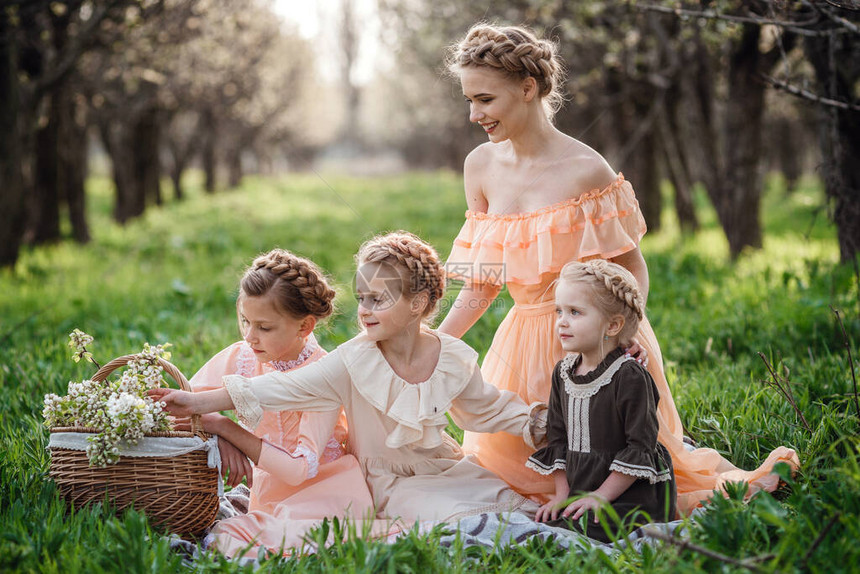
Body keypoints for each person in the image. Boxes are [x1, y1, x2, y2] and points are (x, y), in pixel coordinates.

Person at [439, 23, 798, 513]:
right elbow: (480, 283)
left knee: (620, 478)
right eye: (469, 100)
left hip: (597, 340)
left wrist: (621, 334)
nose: (474, 114)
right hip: (521, 342)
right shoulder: (478, 165)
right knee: (514, 479)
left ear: (527, 89)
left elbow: (632, 268)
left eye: (485, 100)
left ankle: (717, 488)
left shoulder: (589, 170)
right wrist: (435, 343)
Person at [151, 232, 545, 525]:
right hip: (388, 482)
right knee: (457, 519)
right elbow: (283, 386)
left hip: (443, 465)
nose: (365, 311)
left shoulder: (451, 355)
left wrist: (547, 426)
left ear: (418, 304)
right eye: (361, 299)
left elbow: (488, 410)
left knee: (510, 506)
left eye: (378, 299)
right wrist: (202, 405)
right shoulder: (353, 358)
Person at [179, 248, 375, 556]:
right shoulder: (242, 357)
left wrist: (227, 428)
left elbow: (299, 470)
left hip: (324, 493)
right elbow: (188, 404)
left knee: (246, 541)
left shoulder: (324, 376)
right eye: (245, 321)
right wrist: (218, 434)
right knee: (234, 536)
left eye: (264, 327)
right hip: (269, 495)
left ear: (304, 327)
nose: (249, 336)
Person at [529, 260, 676, 541]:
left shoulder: (629, 376)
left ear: (612, 325)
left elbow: (640, 445)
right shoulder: (563, 373)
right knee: (557, 527)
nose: (562, 320)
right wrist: (563, 495)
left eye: (575, 312)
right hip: (583, 487)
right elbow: (557, 438)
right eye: (558, 311)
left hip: (631, 493)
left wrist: (600, 496)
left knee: (579, 534)